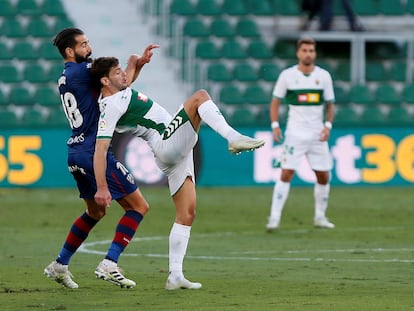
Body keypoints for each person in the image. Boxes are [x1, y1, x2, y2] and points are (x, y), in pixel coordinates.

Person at [90, 56, 265, 290]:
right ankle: (233, 138)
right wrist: (102, 186)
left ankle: (175, 275)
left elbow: (123, 83)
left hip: (173, 152)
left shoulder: (118, 94)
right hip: (166, 142)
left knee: (187, 213)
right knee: (200, 97)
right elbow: (100, 148)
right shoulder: (110, 106)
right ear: (104, 80)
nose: (124, 75)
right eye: (117, 72)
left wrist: (136, 64)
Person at [43, 28, 159, 289]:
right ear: (70, 51)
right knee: (138, 206)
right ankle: (110, 263)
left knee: (95, 211)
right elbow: (118, 82)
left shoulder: (68, 76)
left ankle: (60, 264)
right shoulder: (84, 72)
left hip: (75, 151)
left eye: (88, 43)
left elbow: (120, 84)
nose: (89, 48)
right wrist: (132, 64)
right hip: (93, 150)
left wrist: (134, 66)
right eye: (83, 45)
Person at [265, 37, 335, 231]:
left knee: (323, 176)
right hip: (295, 133)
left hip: (317, 134)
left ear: (315, 53)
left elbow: (330, 104)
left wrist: (328, 125)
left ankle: (320, 216)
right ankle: (274, 217)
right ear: (298, 53)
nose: (308, 54)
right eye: (304, 50)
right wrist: (275, 125)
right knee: (286, 173)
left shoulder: (324, 77)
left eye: (311, 50)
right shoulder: (287, 76)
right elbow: (275, 102)